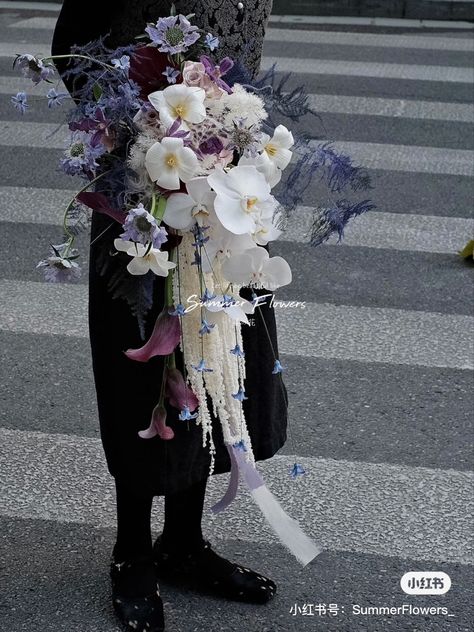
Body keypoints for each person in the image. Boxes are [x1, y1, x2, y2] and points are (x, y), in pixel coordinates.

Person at [52, 1, 288, 630]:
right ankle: (132, 551)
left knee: (218, 358)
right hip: (143, 186)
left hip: (228, 180)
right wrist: (136, 126)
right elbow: (72, 44)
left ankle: (183, 543)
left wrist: (231, 133)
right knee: (146, 372)